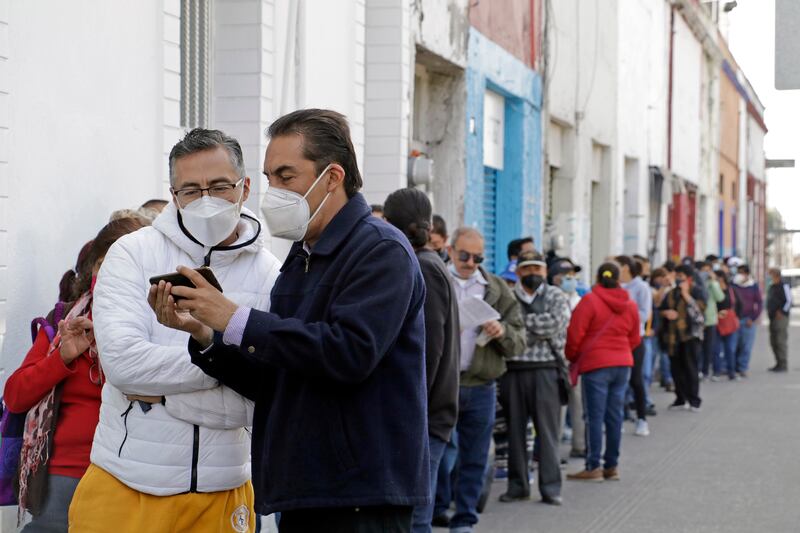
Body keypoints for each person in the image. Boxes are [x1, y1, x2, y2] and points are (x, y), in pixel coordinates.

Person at [152, 110, 430, 533]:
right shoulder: (303, 256)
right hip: (307, 486)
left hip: (360, 494)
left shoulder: (379, 250)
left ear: (332, 177)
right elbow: (277, 377)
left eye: (286, 176)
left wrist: (235, 317)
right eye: (269, 177)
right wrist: (207, 334)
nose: (273, 191)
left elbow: (348, 353)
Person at [69, 129, 281, 533]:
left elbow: (265, 394)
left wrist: (165, 395)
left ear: (244, 187)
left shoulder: (269, 272)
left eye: (219, 187)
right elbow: (124, 366)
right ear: (173, 194)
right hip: (127, 482)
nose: (205, 201)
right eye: (190, 190)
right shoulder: (132, 253)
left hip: (226, 490)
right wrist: (229, 365)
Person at [4, 218, 144, 533]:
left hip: (136, 475)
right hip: (66, 475)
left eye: (126, 266)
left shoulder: (163, 324)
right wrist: (63, 357)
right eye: (104, 266)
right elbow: (15, 396)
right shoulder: (63, 321)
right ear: (91, 270)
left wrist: (112, 347)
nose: (111, 276)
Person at [383, 188, 460, 533]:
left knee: (412, 522)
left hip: (424, 418)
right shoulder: (430, 264)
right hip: (428, 414)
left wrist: (407, 413)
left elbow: (428, 352)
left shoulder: (424, 269)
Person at [446, 227, 525, 533]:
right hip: (443, 384)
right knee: (438, 457)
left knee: (475, 457)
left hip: (481, 385)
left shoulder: (496, 289)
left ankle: (465, 518)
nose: (470, 262)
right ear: (451, 251)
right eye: (464, 255)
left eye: (477, 257)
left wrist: (502, 331)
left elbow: (519, 339)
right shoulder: (436, 280)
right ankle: (438, 508)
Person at [498, 250, 569, 505]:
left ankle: (550, 488)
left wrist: (519, 327)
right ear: (518, 272)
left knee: (548, 433)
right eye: (527, 270)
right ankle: (517, 486)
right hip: (513, 371)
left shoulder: (556, 296)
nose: (532, 274)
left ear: (545, 272)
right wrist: (516, 330)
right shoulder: (507, 296)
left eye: (537, 269)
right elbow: (503, 330)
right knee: (515, 432)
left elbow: (553, 324)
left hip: (547, 370)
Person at [565, 263, 640, 481]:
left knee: (594, 416)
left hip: (596, 364)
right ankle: (612, 465)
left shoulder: (589, 301)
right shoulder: (630, 304)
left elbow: (575, 334)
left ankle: (593, 465)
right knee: (614, 415)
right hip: (623, 363)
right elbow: (635, 337)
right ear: (619, 279)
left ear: (598, 277)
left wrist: (573, 357)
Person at [548, 257, 585, 457]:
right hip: (555, 360)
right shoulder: (549, 299)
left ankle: (580, 446)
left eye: (573, 275)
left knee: (578, 404)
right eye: (565, 275)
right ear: (555, 279)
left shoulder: (580, 300)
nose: (571, 279)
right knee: (556, 408)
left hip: (576, 360)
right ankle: (553, 452)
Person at [659, 265, 705, 411]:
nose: (678, 279)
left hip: (691, 335)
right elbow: (661, 309)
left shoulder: (697, 291)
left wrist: (686, 295)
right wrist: (666, 313)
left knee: (690, 368)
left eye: (681, 276)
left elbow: (699, 312)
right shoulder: (672, 293)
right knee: (676, 369)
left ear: (689, 278)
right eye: (677, 276)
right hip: (673, 336)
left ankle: (694, 400)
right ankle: (680, 398)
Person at [616, 256, 652, 437]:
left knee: (636, 380)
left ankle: (642, 419)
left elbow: (645, 314)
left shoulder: (641, 287)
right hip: (617, 339)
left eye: (617, 266)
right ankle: (619, 418)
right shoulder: (614, 286)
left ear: (626, 268)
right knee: (618, 381)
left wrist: (624, 314)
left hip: (636, 338)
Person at [732, 264, 762, 378]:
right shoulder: (733, 285)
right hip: (735, 319)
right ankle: (733, 367)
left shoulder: (753, 286)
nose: (740, 275)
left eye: (743, 273)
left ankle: (743, 367)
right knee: (734, 345)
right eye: (739, 273)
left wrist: (753, 318)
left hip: (748, 320)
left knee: (746, 346)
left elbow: (759, 303)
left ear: (747, 275)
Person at [698, 262, 725, 380]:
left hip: (710, 320)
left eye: (708, 271)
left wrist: (714, 282)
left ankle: (705, 370)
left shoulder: (712, 284)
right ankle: (698, 369)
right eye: (703, 270)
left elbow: (720, 298)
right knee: (698, 347)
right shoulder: (696, 284)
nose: (705, 273)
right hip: (698, 320)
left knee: (709, 347)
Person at [717, 273, 742, 381]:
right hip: (717, 322)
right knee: (717, 349)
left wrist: (737, 317)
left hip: (730, 322)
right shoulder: (713, 290)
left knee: (730, 349)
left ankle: (731, 371)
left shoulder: (731, 290)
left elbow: (740, 304)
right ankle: (717, 371)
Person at [767, 268, 791, 372]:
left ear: (776, 275)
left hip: (781, 317)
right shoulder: (772, 286)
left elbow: (789, 300)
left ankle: (783, 364)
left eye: (770, 274)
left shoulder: (783, 285)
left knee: (780, 341)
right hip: (772, 317)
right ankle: (778, 363)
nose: (769, 276)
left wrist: (781, 311)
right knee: (773, 341)